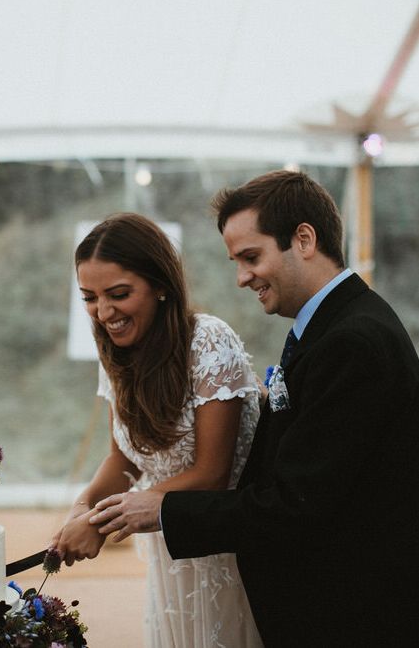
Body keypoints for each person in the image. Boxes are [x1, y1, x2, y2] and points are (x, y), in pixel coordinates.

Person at [90, 170, 419, 646]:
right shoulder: (331, 326)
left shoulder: (352, 341)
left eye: (251, 257)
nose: (242, 277)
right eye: (236, 261)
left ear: (304, 239)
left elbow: (294, 504)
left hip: (352, 613)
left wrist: (161, 511)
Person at [50, 213, 263, 647]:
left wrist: (102, 519)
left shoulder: (207, 342)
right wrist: (83, 507)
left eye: (119, 294)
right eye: (89, 298)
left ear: (161, 284)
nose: (104, 313)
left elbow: (212, 473)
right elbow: (122, 458)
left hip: (229, 549)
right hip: (169, 553)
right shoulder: (114, 353)